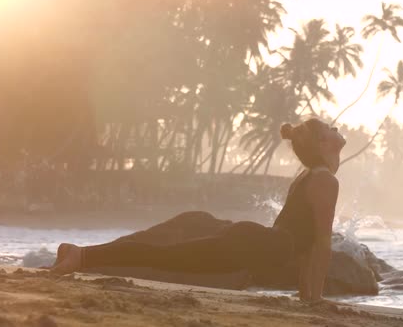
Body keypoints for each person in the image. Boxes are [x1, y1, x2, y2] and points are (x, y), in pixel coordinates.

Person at [51, 118, 346, 302]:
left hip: (254, 243)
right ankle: (82, 255)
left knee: (165, 256)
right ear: (323, 143)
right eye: (330, 128)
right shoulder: (324, 180)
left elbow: (305, 244)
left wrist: (307, 296)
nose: (337, 129)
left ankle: (83, 255)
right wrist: (316, 299)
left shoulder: (312, 177)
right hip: (251, 245)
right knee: (166, 258)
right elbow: (320, 244)